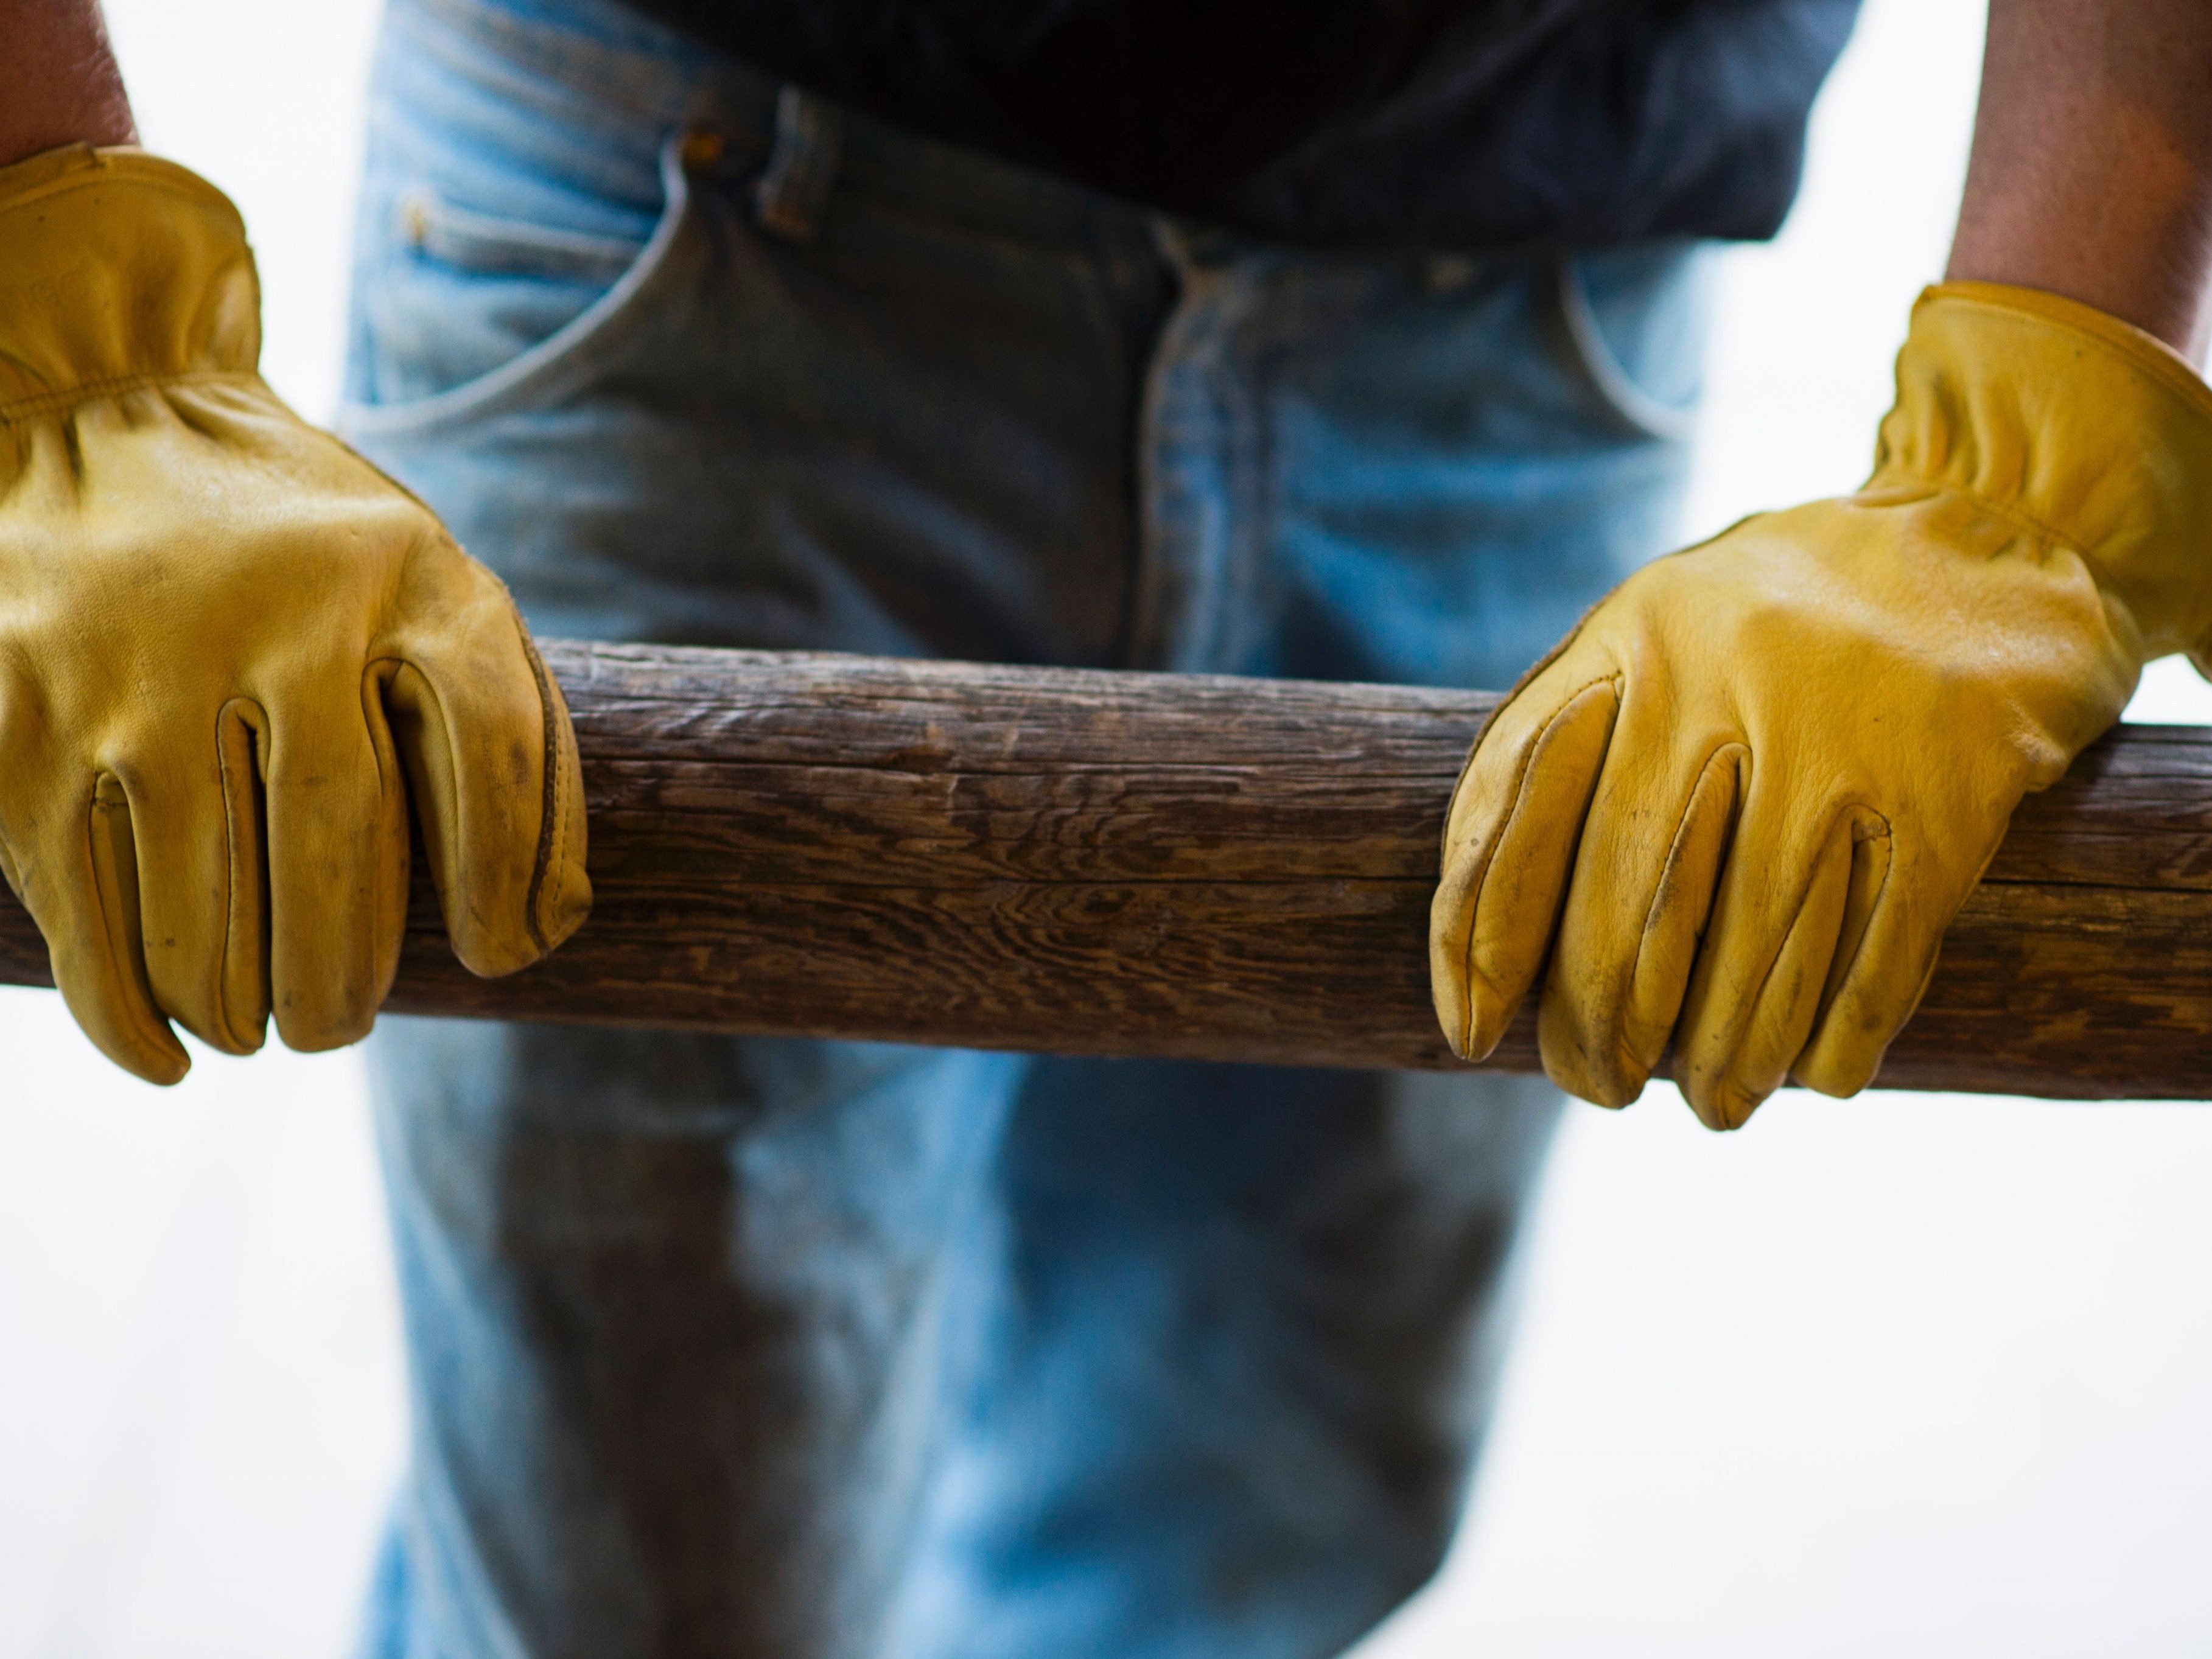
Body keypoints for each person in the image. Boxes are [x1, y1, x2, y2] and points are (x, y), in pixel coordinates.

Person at [2, 1, 2208, 1655]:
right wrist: (47, 302)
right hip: (686, 191)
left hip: (1528, 285)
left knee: (1251, 1517)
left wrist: (2032, 433)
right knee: (638, 1595)